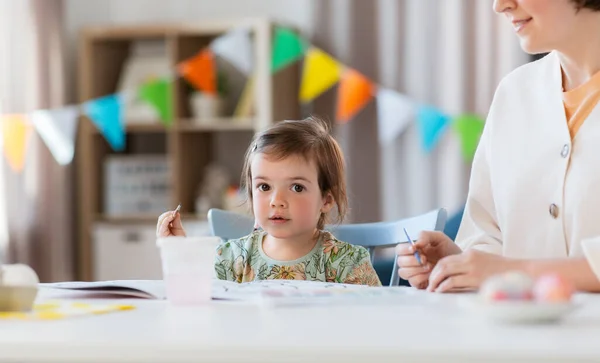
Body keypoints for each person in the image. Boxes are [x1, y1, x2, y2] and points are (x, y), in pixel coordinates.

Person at [396, 0, 600, 293]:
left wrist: (514, 271)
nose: (500, 5)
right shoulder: (514, 92)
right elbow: (486, 230)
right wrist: (459, 264)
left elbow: (509, 269)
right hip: (511, 336)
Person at [157, 117, 381, 286]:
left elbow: (374, 320)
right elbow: (199, 311)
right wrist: (179, 252)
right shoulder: (230, 259)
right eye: (264, 187)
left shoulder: (347, 263)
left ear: (327, 199)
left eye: (296, 187)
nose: (277, 201)